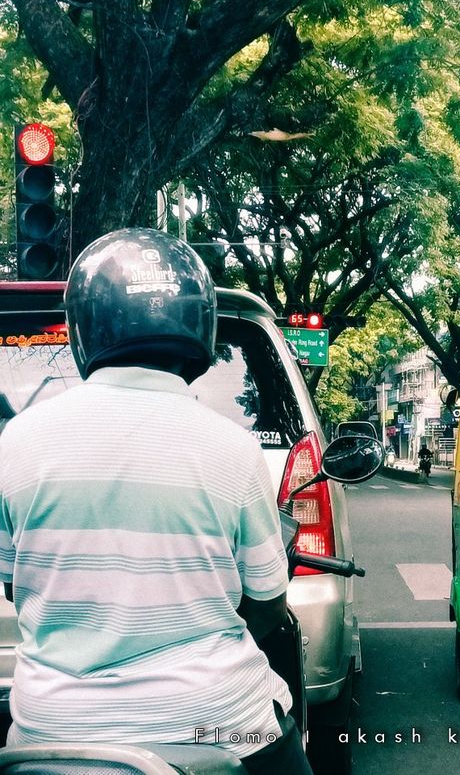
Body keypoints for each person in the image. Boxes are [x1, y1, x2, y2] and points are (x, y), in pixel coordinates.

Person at [0, 228, 312, 773]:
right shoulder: (232, 447)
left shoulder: (17, 442)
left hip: (51, 732)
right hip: (215, 725)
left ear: (85, 328)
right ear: (198, 324)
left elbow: (13, 581)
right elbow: (267, 605)